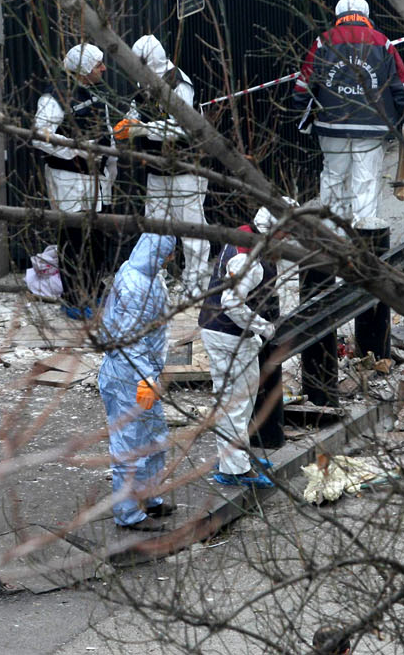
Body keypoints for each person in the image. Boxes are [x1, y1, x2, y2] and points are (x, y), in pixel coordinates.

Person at [291, 0, 404, 228]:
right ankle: (365, 239)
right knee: (366, 182)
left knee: (333, 179)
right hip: (372, 128)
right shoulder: (382, 42)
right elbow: (403, 85)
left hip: (331, 126)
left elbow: (304, 84)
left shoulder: (323, 42)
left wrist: (303, 115)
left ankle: (332, 236)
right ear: (366, 15)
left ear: (338, 16)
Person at [198, 203, 299, 488]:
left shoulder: (243, 237)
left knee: (238, 398)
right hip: (228, 335)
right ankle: (235, 470)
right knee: (236, 402)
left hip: (225, 331)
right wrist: (262, 327)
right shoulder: (249, 261)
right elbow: (231, 303)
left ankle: (236, 458)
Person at [117, 34, 211, 300]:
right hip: (156, 167)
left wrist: (142, 129)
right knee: (155, 226)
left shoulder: (179, 85)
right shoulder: (142, 81)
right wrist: (128, 124)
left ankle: (195, 283)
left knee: (192, 229)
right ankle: (156, 277)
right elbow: (138, 109)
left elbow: (181, 128)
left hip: (185, 168)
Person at [97, 233, 179, 531]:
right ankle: (129, 513)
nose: (171, 259)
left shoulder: (148, 275)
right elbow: (130, 342)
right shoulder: (135, 285)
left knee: (154, 438)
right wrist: (146, 378)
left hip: (144, 376)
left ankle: (149, 498)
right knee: (130, 445)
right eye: (169, 254)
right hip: (127, 378)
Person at [34, 44, 117, 319]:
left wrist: (109, 168)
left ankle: (93, 290)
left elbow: (106, 134)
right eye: (98, 65)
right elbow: (39, 137)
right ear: (83, 70)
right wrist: (75, 148)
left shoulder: (95, 94)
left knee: (95, 239)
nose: (104, 69)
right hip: (68, 180)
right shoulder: (54, 98)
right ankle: (74, 299)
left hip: (96, 181)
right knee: (73, 240)